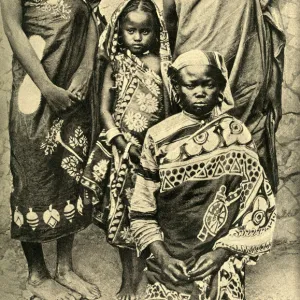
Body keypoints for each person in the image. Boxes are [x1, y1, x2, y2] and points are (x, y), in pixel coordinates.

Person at [130, 50, 276, 300]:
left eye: (208, 84)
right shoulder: (158, 136)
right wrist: (163, 258)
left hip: (222, 254)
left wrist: (222, 253)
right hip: (172, 254)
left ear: (220, 87)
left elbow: (257, 205)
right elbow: (142, 211)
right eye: (191, 85)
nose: (200, 91)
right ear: (176, 87)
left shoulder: (236, 134)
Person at [1, 0, 104, 299]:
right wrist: (46, 86)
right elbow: (13, 29)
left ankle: (64, 268)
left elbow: (90, 17)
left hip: (73, 89)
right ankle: (37, 275)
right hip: (36, 88)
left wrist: (86, 69)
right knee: (32, 174)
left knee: (69, 172)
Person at [81, 0, 172, 299]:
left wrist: (153, 148)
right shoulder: (115, 64)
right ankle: (127, 282)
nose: (137, 37)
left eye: (145, 31)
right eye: (130, 30)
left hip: (151, 154)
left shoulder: (163, 65)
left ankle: (149, 274)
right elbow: (105, 111)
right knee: (121, 216)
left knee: (148, 216)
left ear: (156, 32)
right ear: (119, 30)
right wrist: (120, 142)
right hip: (121, 153)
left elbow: (169, 113)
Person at [163, 0, 285, 193]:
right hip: (194, 56)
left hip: (245, 64)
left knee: (249, 147)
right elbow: (169, 20)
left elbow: (270, 15)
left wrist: (274, 84)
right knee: (195, 151)